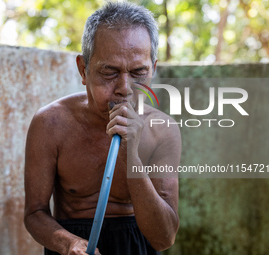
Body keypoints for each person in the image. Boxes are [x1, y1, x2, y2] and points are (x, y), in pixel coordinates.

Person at [24, 2, 181, 255]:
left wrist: (132, 155)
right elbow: (34, 213)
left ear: (153, 68)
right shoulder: (50, 123)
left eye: (139, 72)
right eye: (109, 72)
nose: (125, 88)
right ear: (83, 69)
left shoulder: (162, 130)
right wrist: (68, 243)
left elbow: (163, 238)